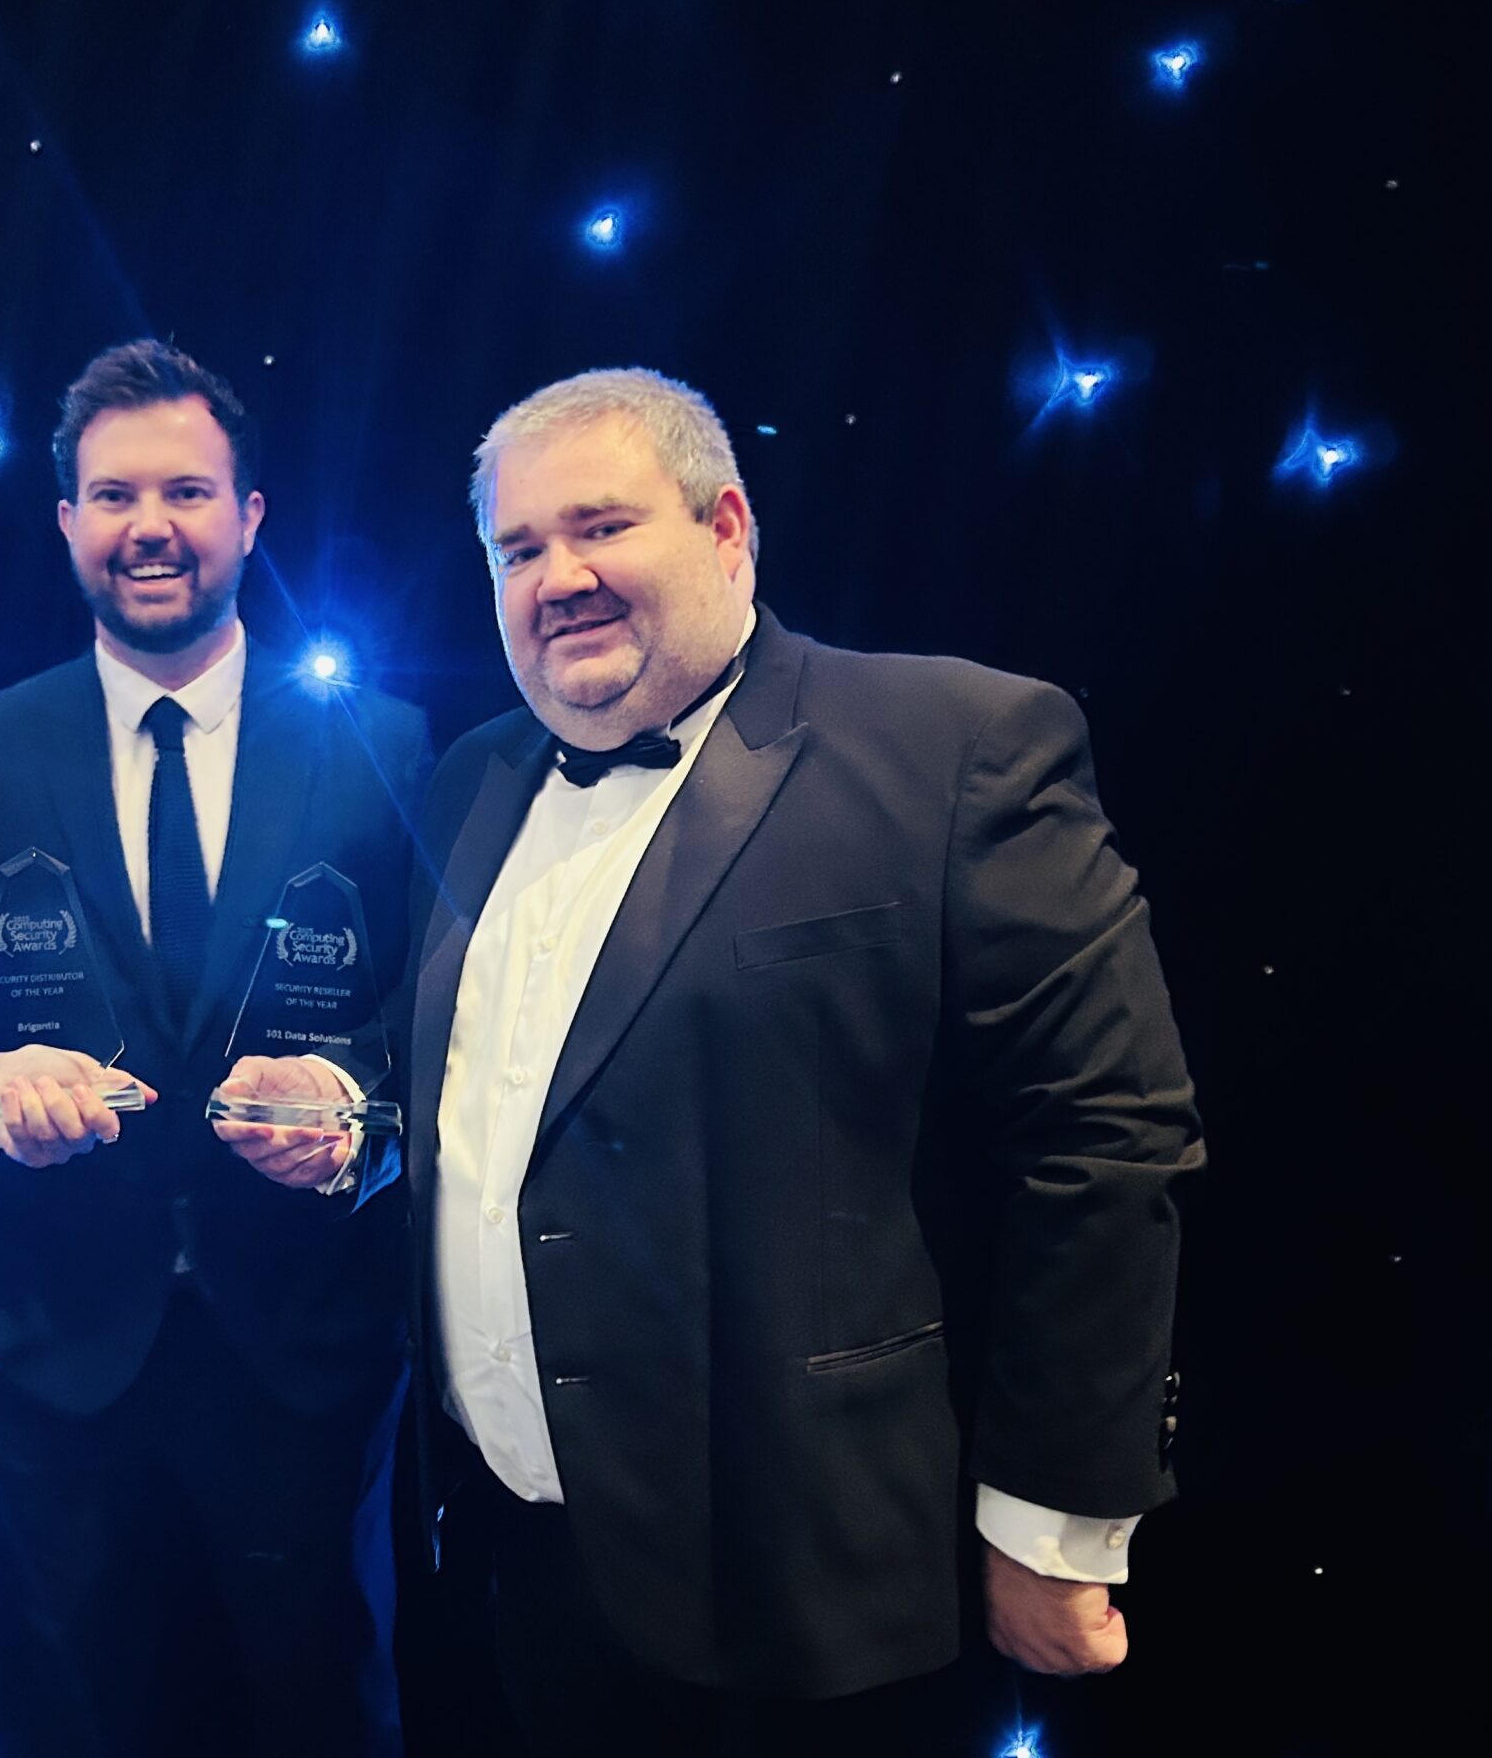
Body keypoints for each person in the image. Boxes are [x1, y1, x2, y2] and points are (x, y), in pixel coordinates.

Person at [228, 367, 1204, 1752]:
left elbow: (1104, 1141)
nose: (558, 577)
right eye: (518, 549)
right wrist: (348, 1105)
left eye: (602, 526)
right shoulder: (470, 776)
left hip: (815, 1582)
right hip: (521, 1554)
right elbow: (481, 1063)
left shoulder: (955, 744)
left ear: (727, 526)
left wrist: (1056, 1522)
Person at [0, 339, 430, 1758]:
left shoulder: (387, 745)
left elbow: (442, 1025)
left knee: (323, 1714)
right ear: (66, 522)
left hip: (306, 1345)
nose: (150, 526)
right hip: (34, 1352)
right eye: (114, 495)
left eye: (187, 491)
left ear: (251, 515)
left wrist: (349, 1105)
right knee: (66, 1724)